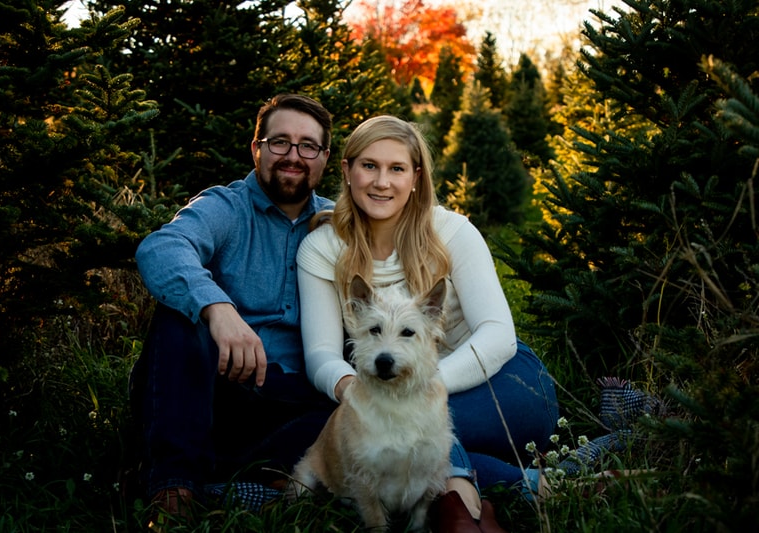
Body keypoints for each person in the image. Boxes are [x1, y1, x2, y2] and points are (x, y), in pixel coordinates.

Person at [296, 116, 559, 531]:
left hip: (505, 384)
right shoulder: (323, 248)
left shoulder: (451, 230)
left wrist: (428, 383)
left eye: (397, 168)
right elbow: (321, 353)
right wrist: (351, 388)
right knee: (398, 440)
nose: (382, 181)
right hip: (387, 392)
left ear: (416, 177)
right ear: (346, 171)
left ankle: (462, 495)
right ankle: (538, 487)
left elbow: (498, 335)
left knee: (413, 426)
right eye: (369, 166)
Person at [130, 94, 337, 526]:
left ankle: (244, 480)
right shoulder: (226, 207)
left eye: (307, 146)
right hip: (219, 392)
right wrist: (217, 308)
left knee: (350, 409)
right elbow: (162, 247)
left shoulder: (339, 224)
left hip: (299, 403)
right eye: (280, 142)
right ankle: (174, 489)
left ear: (324, 157)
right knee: (179, 316)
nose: (293, 156)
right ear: (256, 148)